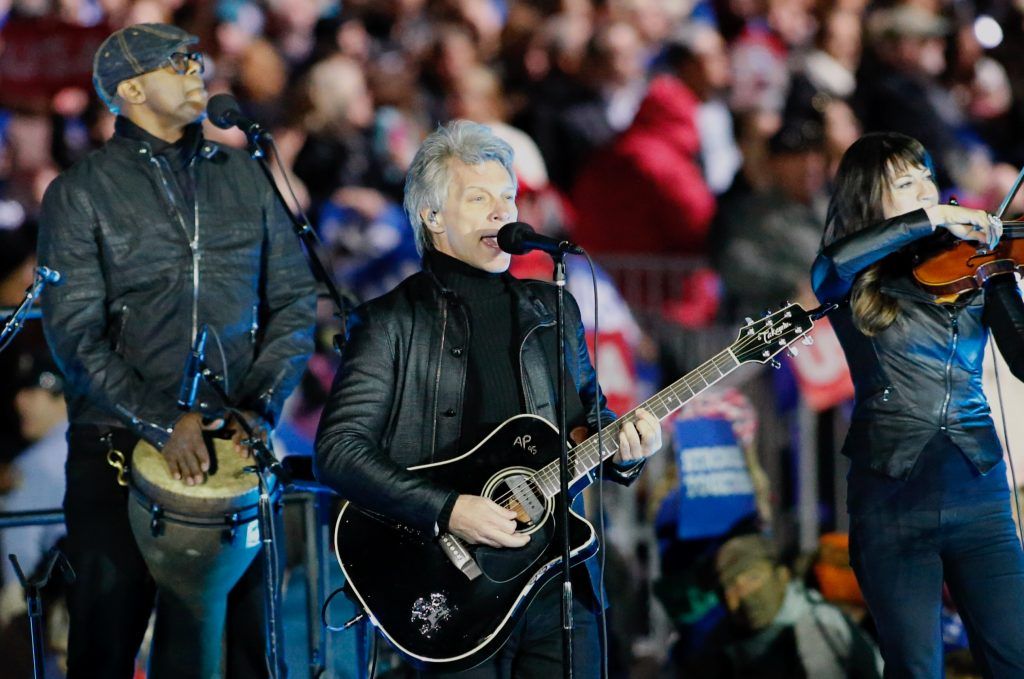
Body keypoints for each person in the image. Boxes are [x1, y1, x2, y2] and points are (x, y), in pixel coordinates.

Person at [314, 119, 662, 677]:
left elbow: (586, 421)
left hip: (557, 579)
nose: (503, 212)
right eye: (479, 199)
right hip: (453, 588)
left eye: (507, 196)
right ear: (432, 217)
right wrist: (449, 509)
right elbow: (338, 451)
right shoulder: (389, 323)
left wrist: (628, 448)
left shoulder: (553, 307)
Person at [38, 23, 317, 678]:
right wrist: (162, 419)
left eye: (197, 58)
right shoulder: (80, 194)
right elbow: (75, 333)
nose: (198, 69)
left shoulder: (247, 179)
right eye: (177, 62)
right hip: (115, 452)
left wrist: (261, 406)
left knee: (249, 653)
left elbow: (296, 304)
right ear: (130, 89)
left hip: (235, 449)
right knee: (106, 644)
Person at [811, 131, 1024, 677]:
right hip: (891, 500)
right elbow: (829, 268)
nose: (927, 188)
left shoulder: (973, 263)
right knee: (915, 667)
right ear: (870, 201)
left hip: (978, 493)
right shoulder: (854, 278)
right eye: (906, 182)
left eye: (927, 176)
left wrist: (999, 276)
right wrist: (930, 220)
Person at [682, 534, 883, 678]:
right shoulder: (723, 638)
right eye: (731, 587)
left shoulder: (816, 624)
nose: (743, 595)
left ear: (782, 576)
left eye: (753, 578)